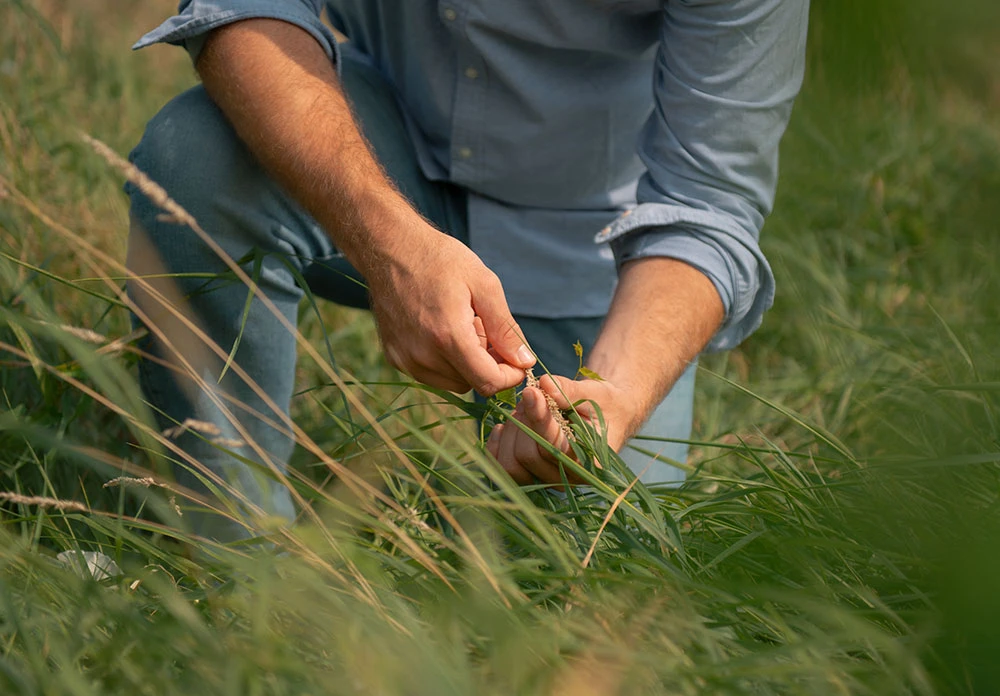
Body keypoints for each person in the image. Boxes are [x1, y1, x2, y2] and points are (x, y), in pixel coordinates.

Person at [126, 0, 809, 541]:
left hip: (594, 252)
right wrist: (388, 242)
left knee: (609, 570)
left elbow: (709, 199)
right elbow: (248, 6)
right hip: (380, 151)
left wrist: (618, 395)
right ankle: (232, 559)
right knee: (196, 157)